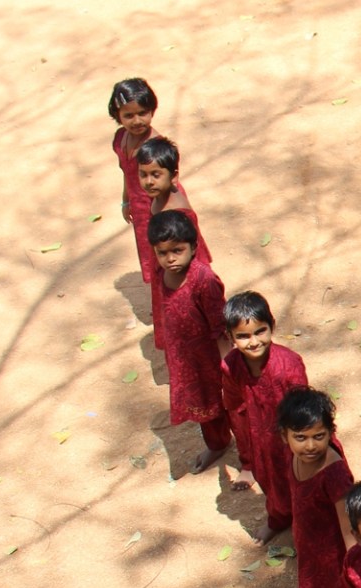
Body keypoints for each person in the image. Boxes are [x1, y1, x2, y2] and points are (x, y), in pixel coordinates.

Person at [218, 291, 311, 545]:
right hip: (261, 438)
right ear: (230, 337)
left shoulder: (289, 365)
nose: (253, 342)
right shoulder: (231, 366)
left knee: (303, 483)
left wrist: (302, 443)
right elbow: (235, 406)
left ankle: (307, 527)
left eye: (260, 331)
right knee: (271, 481)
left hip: (296, 438)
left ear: (272, 327)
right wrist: (248, 455)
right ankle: (278, 519)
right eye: (243, 336)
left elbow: (304, 409)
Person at [147, 210, 229, 474]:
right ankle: (217, 444)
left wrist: (228, 367)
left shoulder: (203, 280)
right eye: (162, 252)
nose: (170, 259)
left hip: (210, 358)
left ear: (193, 248)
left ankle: (249, 460)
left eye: (177, 250)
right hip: (184, 359)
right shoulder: (161, 273)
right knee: (204, 406)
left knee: (228, 403)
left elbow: (220, 328)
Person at [278, 387, 355, 588]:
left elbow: (348, 528)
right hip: (310, 543)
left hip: (334, 551)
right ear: (285, 436)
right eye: (300, 437)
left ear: (330, 433)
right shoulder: (291, 455)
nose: (310, 446)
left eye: (318, 436)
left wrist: (354, 568)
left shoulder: (334, 474)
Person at [135, 137, 214, 343]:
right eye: (143, 174)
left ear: (173, 176)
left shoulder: (178, 212)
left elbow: (193, 253)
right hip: (166, 267)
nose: (149, 181)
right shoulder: (159, 195)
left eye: (156, 175)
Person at [107, 78, 163, 288]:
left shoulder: (156, 147)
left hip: (158, 209)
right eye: (129, 115)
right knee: (152, 257)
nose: (137, 120)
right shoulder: (121, 138)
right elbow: (127, 172)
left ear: (152, 111)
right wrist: (126, 201)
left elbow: (169, 185)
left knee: (168, 258)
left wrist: (164, 218)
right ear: (118, 116)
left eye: (142, 113)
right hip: (140, 211)